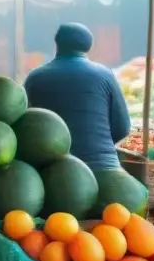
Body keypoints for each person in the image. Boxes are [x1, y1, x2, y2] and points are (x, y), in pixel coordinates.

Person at [24, 23, 130, 171]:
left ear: (57, 43)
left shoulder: (35, 78)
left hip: (51, 172)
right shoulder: (105, 75)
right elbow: (123, 128)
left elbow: (26, 127)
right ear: (88, 46)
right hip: (103, 168)